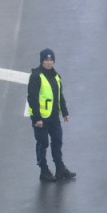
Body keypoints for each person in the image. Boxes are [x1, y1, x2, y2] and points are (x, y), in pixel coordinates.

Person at [27, 48, 76, 182]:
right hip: (41, 119)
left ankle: (60, 168)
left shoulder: (56, 76)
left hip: (54, 117)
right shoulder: (36, 76)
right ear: (42, 61)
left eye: (51, 60)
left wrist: (65, 112)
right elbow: (32, 98)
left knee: (57, 142)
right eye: (46, 60)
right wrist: (37, 118)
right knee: (42, 144)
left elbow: (60, 96)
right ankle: (44, 170)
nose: (49, 63)